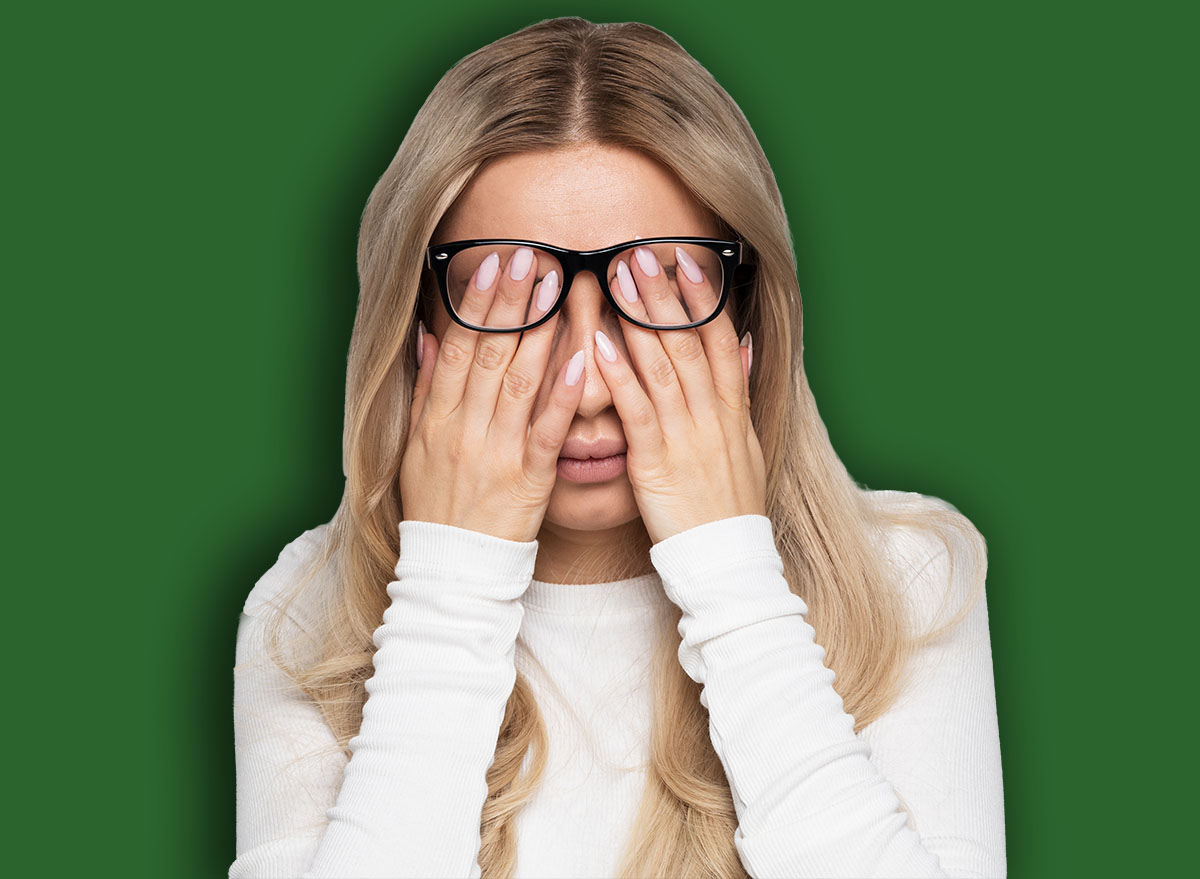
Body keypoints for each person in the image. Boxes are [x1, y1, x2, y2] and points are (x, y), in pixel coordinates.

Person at [229, 16, 1006, 879]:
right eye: (508, 296)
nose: (591, 387)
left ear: (748, 324)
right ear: (417, 336)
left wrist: (731, 570)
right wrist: (450, 582)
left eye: (662, 288)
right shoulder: (304, 617)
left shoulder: (909, 583)